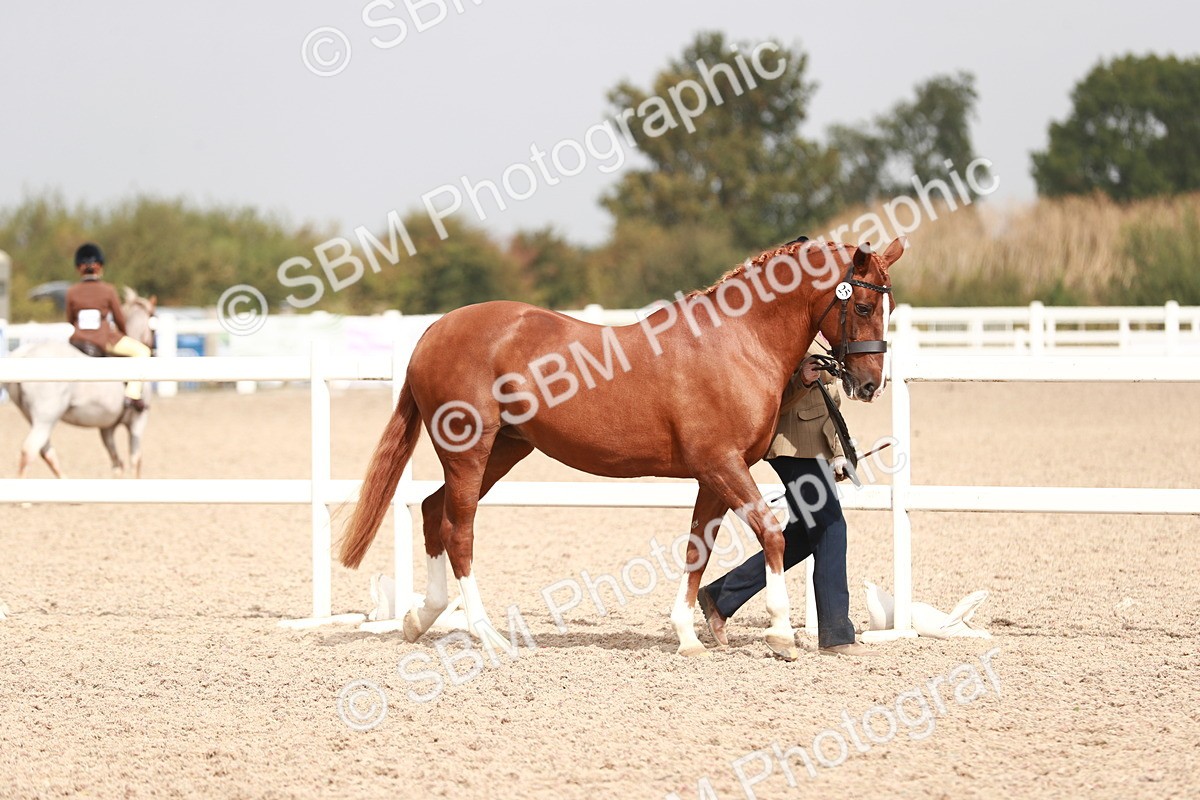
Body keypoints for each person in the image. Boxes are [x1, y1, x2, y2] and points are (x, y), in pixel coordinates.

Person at [697, 342, 876, 657]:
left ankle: (721, 597)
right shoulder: (792, 333)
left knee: (805, 536)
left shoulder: (826, 339)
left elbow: (830, 400)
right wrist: (801, 380)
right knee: (831, 528)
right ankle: (836, 635)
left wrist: (838, 452)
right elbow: (769, 400)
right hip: (791, 448)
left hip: (815, 447)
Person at [66, 242, 152, 411]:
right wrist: (123, 333)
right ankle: (132, 394)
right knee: (143, 351)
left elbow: (70, 319)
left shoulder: (71, 292)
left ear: (78, 268)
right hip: (103, 340)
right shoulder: (108, 290)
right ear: (100, 267)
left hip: (78, 340)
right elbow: (119, 318)